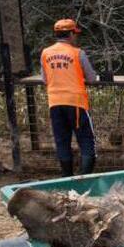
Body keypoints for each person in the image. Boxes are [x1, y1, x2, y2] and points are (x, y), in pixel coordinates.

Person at [41, 19, 97, 177]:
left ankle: (67, 177)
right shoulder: (78, 53)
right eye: (75, 34)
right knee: (86, 140)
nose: (76, 37)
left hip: (55, 102)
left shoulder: (45, 53)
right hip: (76, 102)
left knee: (62, 141)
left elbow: (45, 79)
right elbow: (92, 78)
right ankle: (85, 177)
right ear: (71, 34)